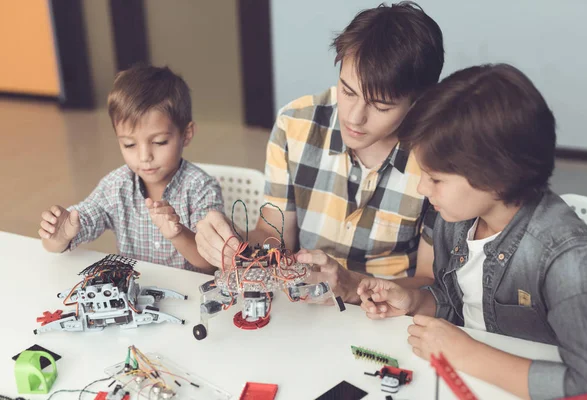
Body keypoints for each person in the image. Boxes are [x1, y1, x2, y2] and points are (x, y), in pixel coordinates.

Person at [357, 63, 587, 399]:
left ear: (496, 177)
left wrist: (465, 353)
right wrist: (415, 300)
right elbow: (464, 306)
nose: (421, 188)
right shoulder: (453, 219)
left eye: (436, 179)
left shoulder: (567, 258)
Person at [195, 2, 444, 303]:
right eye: (347, 91)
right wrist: (234, 239)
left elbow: (432, 283)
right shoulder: (296, 124)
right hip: (306, 308)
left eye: (380, 106)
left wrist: (352, 285)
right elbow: (276, 238)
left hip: (389, 318)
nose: (354, 117)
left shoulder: (438, 157)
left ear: (418, 103)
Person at [38, 65, 223, 273]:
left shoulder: (202, 188)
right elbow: (59, 240)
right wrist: (60, 237)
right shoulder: (116, 185)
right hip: (135, 294)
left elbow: (212, 262)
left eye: (160, 142)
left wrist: (177, 234)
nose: (145, 157)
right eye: (129, 145)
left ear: (186, 134)